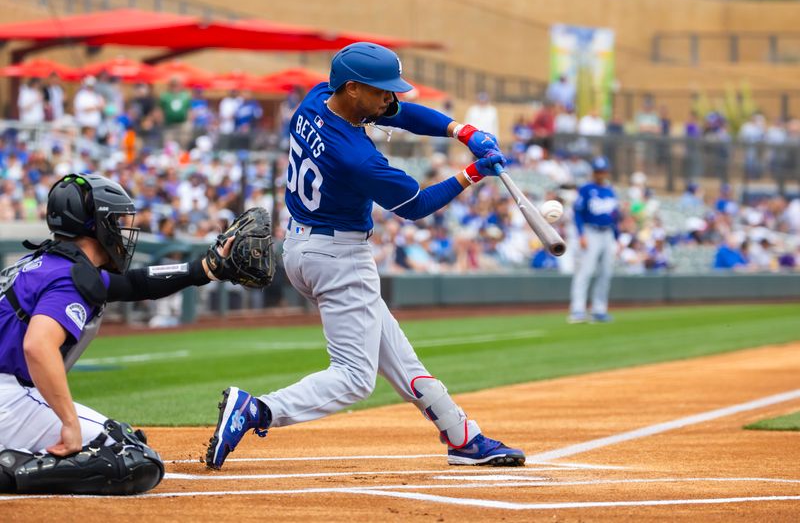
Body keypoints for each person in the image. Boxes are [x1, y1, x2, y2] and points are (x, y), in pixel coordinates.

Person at [205, 41, 525, 471]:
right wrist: (471, 173)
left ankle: (461, 436)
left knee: (398, 356)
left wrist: (460, 131)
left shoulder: (319, 97)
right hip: (338, 257)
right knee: (355, 378)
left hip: (304, 246)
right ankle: (257, 409)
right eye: (381, 90)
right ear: (354, 88)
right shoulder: (356, 157)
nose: (390, 98)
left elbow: (399, 113)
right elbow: (415, 205)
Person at [0, 173, 240, 495]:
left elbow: (136, 284)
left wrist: (206, 268)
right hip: (9, 401)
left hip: (9, 396)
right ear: (95, 225)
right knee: (132, 457)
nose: (120, 230)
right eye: (114, 220)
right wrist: (69, 423)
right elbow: (38, 346)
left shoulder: (44, 263)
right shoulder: (70, 278)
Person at [568, 156, 620, 323]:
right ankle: (577, 310)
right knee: (585, 271)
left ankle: (599, 309)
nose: (600, 174)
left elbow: (615, 217)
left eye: (603, 170)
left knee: (605, 273)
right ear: (594, 172)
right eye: (598, 171)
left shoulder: (610, 191)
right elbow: (578, 213)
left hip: (607, 234)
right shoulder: (586, 189)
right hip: (591, 231)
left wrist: (617, 239)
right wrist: (581, 234)